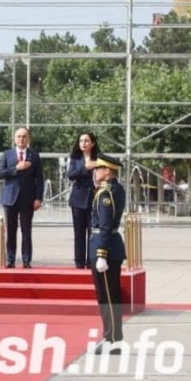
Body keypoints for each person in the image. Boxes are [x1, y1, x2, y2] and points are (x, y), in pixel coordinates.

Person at [88, 155, 127, 347]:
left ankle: (111, 338)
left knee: (107, 296)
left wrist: (101, 254)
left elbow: (105, 225)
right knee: (111, 295)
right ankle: (114, 336)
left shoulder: (106, 194)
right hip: (111, 246)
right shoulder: (116, 189)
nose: (95, 172)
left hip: (105, 247)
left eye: (98, 168)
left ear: (107, 171)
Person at [0, 127, 43, 268]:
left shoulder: (34, 156)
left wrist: (38, 198)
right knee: (11, 230)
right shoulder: (7, 155)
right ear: (14, 139)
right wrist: (17, 168)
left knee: (26, 230)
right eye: (19, 136)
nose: (21, 139)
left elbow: (40, 179)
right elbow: (0, 173)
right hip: (10, 198)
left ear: (28, 139)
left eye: (24, 136)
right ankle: (10, 259)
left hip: (28, 198)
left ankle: (26, 260)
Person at [65, 133, 103, 270]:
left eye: (86, 141)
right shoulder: (75, 158)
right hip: (78, 199)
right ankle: (79, 263)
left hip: (94, 198)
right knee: (79, 233)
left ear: (92, 143)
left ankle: (91, 261)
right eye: (81, 141)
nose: (83, 143)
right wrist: (84, 168)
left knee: (93, 233)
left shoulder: (99, 158)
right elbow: (71, 175)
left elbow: (105, 175)